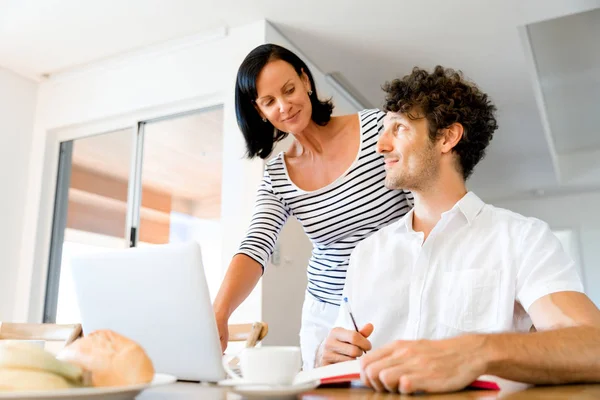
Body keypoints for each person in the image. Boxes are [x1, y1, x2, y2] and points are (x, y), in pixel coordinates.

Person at [317, 66, 600, 393]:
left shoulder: (522, 239)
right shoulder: (366, 252)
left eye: (399, 128)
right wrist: (329, 356)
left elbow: (592, 345)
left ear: (447, 137)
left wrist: (478, 350)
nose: (380, 145)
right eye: (383, 129)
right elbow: (341, 358)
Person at [212, 44, 413, 369]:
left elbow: (423, 212)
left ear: (305, 80)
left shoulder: (378, 128)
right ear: (259, 110)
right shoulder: (278, 176)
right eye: (269, 101)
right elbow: (255, 245)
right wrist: (219, 313)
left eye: (289, 89)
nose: (284, 106)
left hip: (397, 298)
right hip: (328, 312)